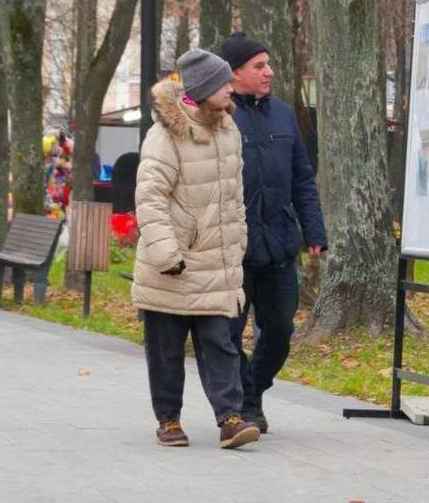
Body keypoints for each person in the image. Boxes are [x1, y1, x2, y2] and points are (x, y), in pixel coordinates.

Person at [131, 48, 260, 451]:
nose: (231, 88)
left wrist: (237, 244)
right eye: (224, 83)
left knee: (222, 343)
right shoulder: (165, 134)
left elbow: (234, 198)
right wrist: (167, 254)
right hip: (174, 264)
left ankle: (231, 419)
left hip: (216, 262)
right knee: (166, 349)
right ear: (203, 88)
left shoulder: (229, 131)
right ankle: (168, 421)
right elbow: (150, 197)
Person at [217, 32, 328, 434]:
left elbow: (302, 176)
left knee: (280, 330)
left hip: (280, 243)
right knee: (226, 334)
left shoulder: (283, 114)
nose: (270, 72)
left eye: (269, 64)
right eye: (259, 66)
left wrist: (313, 229)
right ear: (234, 74)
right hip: (233, 248)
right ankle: (244, 404)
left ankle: (254, 390)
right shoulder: (220, 115)